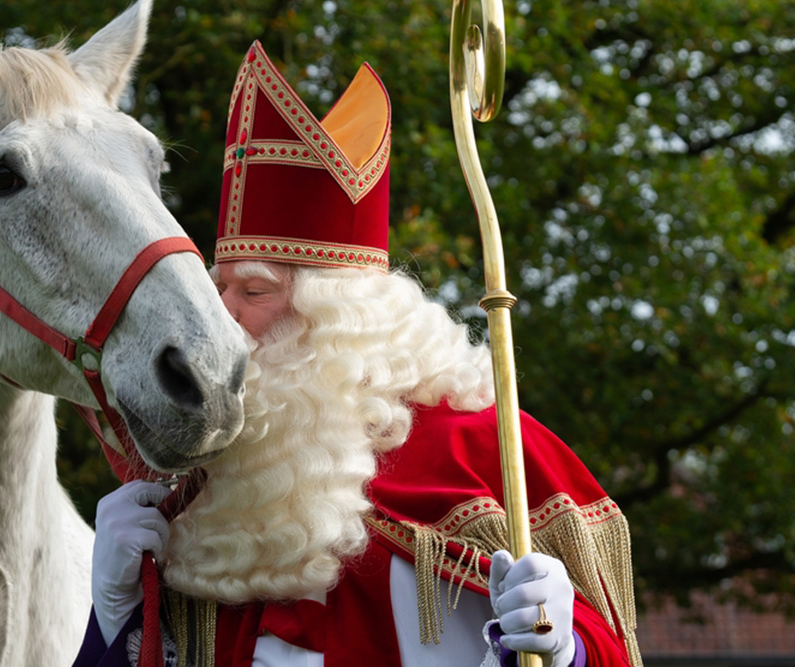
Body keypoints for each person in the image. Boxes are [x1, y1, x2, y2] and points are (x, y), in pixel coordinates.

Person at [73, 41, 641, 667]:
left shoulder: (486, 452)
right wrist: (114, 616)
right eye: (216, 289)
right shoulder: (197, 494)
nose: (222, 318)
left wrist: (567, 650)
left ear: (337, 315)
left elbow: (601, 647)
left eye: (253, 290)